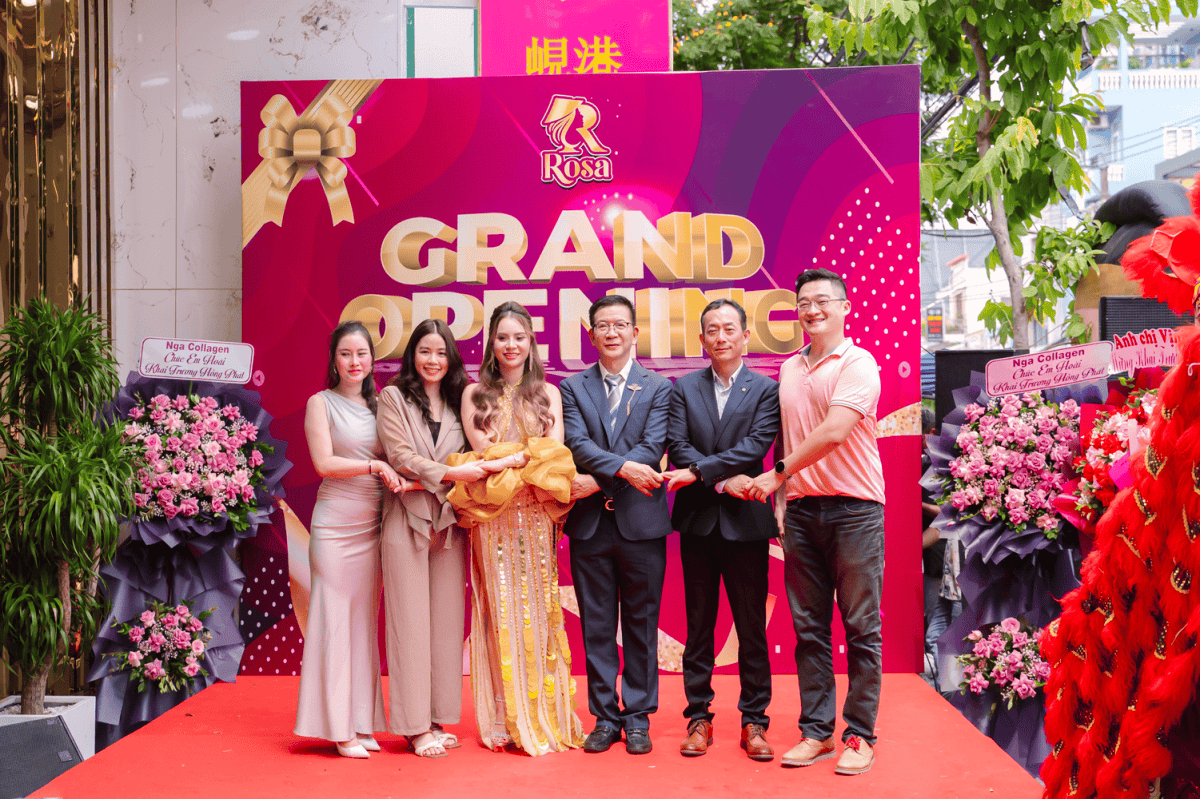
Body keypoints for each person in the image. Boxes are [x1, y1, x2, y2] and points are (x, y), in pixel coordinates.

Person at [747, 268, 886, 776]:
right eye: (804, 302)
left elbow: (834, 432)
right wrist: (784, 498)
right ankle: (817, 731)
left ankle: (859, 734)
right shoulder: (789, 367)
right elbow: (788, 435)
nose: (812, 309)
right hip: (803, 512)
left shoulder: (858, 363)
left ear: (845, 307)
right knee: (809, 629)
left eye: (823, 300)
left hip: (855, 510)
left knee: (861, 627)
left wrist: (776, 475)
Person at [450, 302, 584, 756]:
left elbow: (557, 455)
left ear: (531, 342)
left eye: (519, 337)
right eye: (503, 337)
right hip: (492, 518)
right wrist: (529, 457)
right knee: (499, 613)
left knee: (539, 614)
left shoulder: (549, 393)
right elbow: (482, 455)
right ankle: (503, 717)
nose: (511, 345)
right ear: (491, 342)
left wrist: (515, 460)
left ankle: (544, 711)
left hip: (537, 517)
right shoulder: (474, 394)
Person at [662, 299, 781, 761]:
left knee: (751, 628)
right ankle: (698, 717)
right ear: (702, 339)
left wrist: (702, 472)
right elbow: (677, 445)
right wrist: (719, 478)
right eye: (712, 330)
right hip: (697, 523)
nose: (721, 337)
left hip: (746, 523)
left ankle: (755, 721)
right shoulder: (684, 389)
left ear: (745, 335)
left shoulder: (766, 390)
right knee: (699, 627)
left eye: (729, 328)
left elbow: (756, 446)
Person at [560, 294, 674, 755]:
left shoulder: (658, 387)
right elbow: (576, 443)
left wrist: (604, 477)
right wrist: (624, 470)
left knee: (642, 625)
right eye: (603, 326)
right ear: (591, 335)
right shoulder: (572, 387)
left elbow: (653, 445)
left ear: (634, 332)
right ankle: (605, 717)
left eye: (620, 325)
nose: (612, 333)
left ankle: (639, 717)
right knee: (597, 626)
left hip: (641, 522)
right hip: (590, 526)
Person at [377, 318, 489, 758]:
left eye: (441, 352)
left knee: (445, 624)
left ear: (451, 358)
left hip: (449, 522)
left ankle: (438, 718)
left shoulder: (462, 400)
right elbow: (400, 454)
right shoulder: (393, 397)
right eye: (425, 350)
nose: (433, 360)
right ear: (412, 355)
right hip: (406, 518)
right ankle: (414, 726)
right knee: (408, 624)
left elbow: (477, 455)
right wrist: (450, 473)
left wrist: (450, 477)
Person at [294, 320, 405, 759]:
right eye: (346, 354)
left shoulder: (383, 404)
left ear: (372, 359)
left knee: (363, 625)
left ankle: (361, 721)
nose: (354, 362)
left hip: (375, 523)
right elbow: (324, 463)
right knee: (335, 621)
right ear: (334, 360)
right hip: (335, 525)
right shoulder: (320, 403)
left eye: (362, 353)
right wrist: (375, 467)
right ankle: (339, 730)